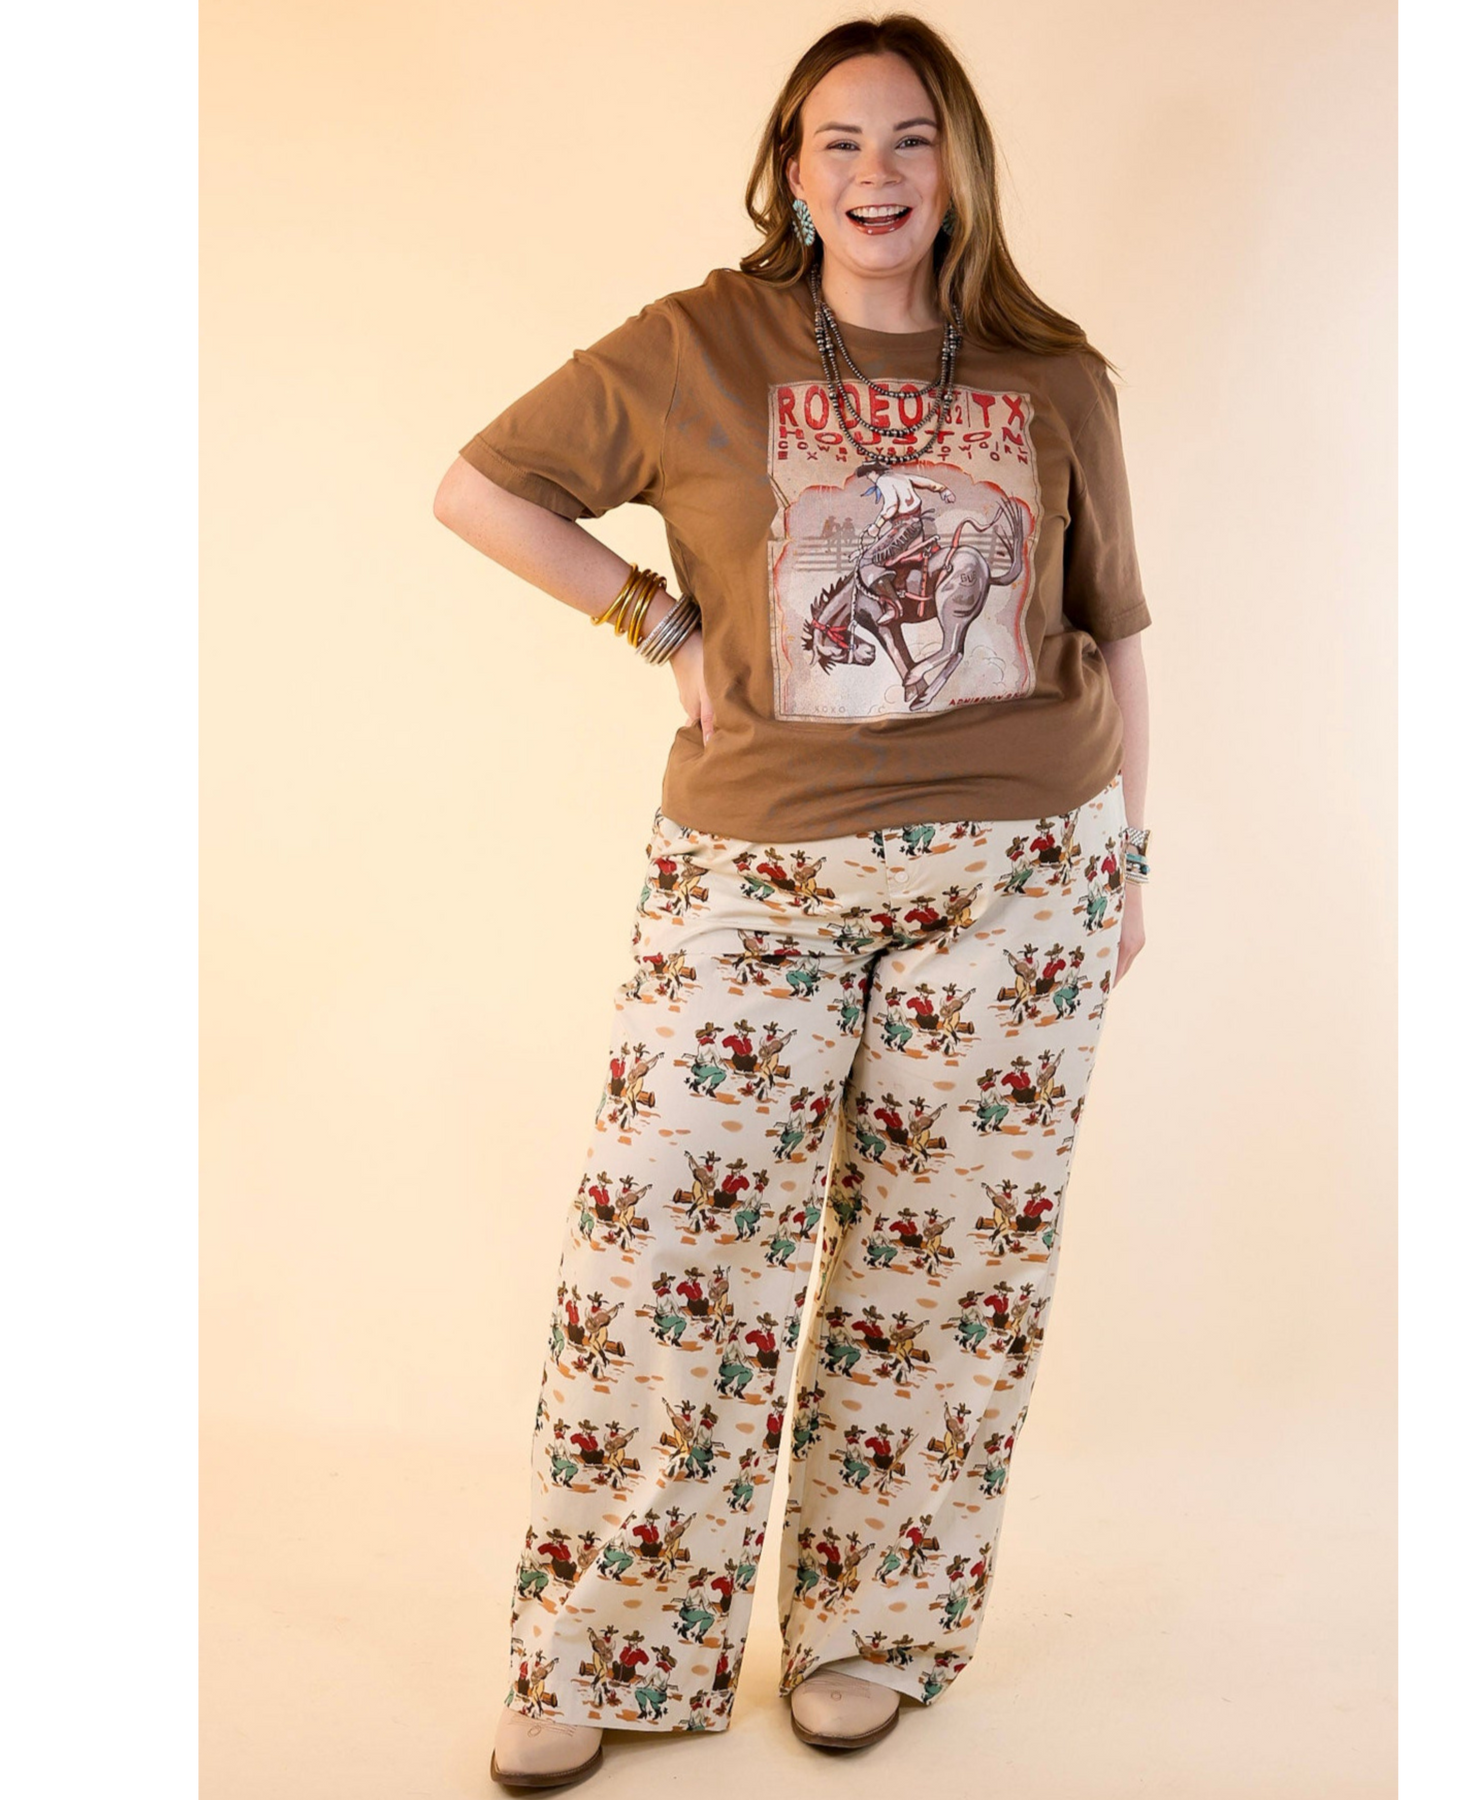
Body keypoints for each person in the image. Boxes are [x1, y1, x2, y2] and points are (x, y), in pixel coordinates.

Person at [433, 14, 1154, 1789]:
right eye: (840, 141)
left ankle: (869, 1632)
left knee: (948, 1267)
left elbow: (1114, 629)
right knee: (665, 1240)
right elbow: (483, 486)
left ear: (959, 164)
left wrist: (1132, 862)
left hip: (1022, 878)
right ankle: (603, 1645)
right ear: (790, 167)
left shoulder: (1056, 374)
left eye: (911, 138)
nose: (877, 174)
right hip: (756, 875)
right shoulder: (701, 341)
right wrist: (654, 622)